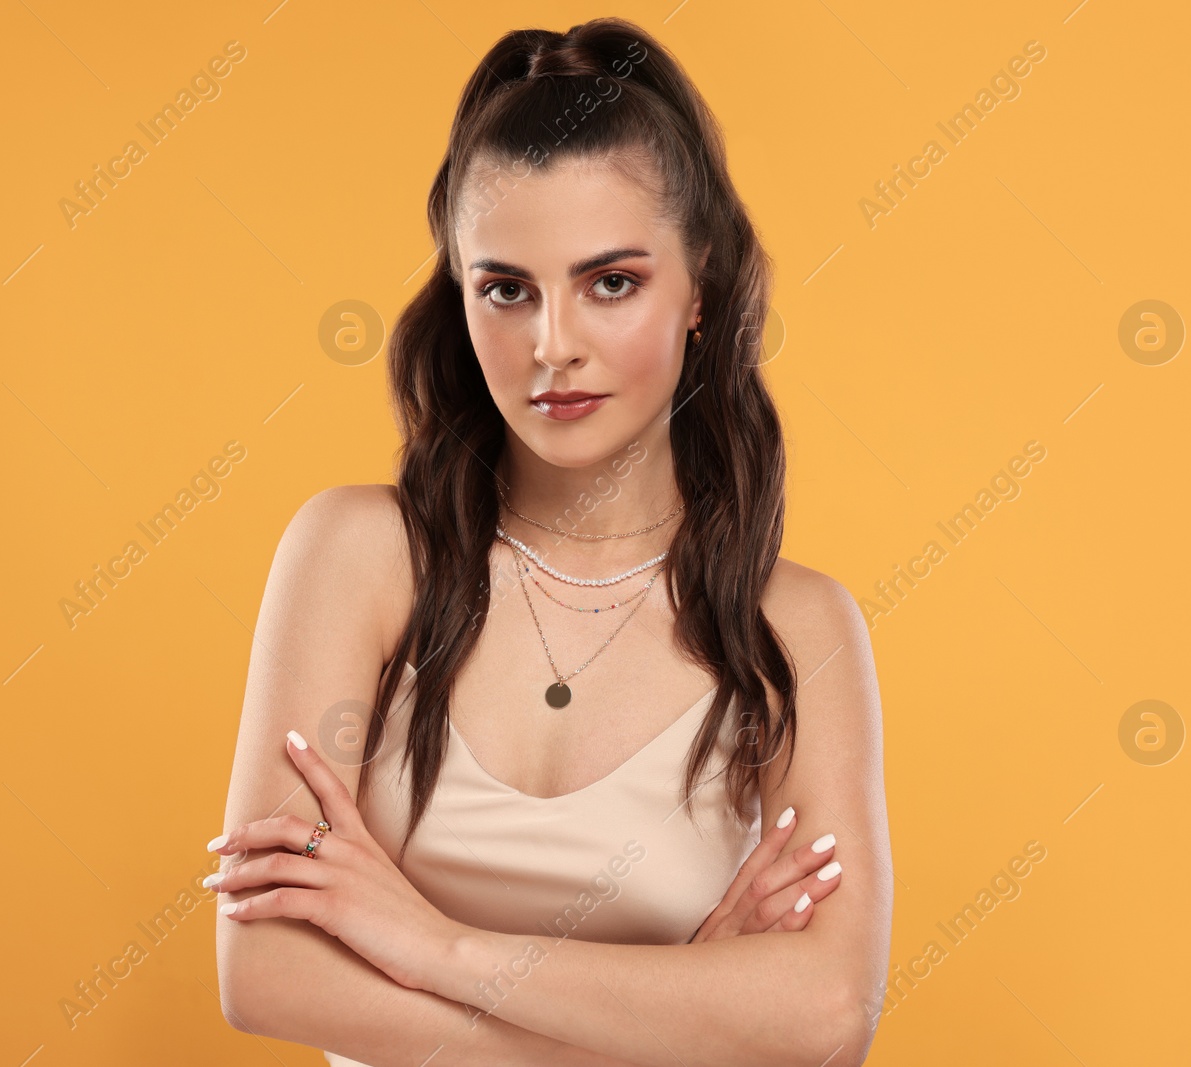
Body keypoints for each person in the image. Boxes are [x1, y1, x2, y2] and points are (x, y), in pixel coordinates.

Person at [212, 17, 891, 1067]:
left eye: (609, 281)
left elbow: (826, 1014)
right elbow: (264, 971)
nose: (552, 346)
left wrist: (427, 941)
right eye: (505, 288)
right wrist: (682, 1015)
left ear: (699, 286)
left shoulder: (792, 628)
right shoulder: (359, 555)